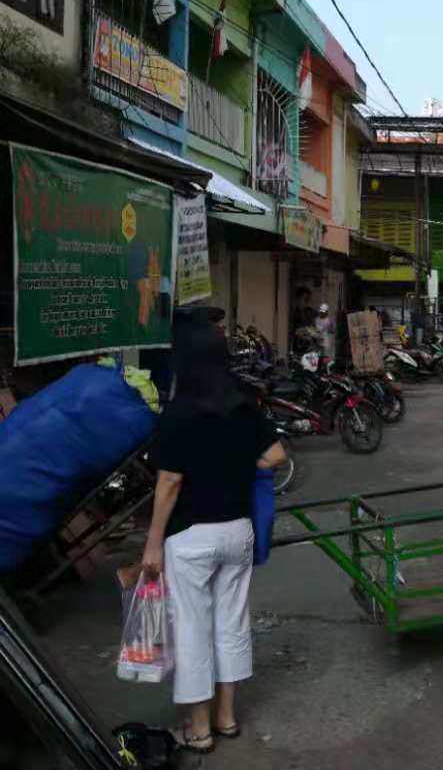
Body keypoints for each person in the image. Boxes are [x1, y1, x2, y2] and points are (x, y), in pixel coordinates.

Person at [142, 320, 287, 754]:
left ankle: (199, 729)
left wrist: (152, 542)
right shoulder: (243, 405)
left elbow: (169, 482)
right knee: (231, 624)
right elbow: (276, 454)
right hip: (238, 532)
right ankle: (226, 717)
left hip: (191, 537)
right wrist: (236, 466)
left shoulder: (180, 412)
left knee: (192, 629)